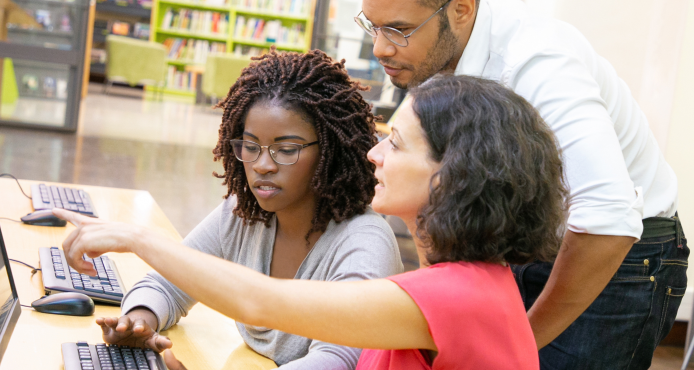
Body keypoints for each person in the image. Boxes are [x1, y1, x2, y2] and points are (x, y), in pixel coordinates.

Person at [54, 74, 568, 369]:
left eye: (396, 142)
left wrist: (137, 237)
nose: (373, 153)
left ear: (451, 174)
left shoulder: (453, 296)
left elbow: (261, 301)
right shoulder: (462, 284)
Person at [353, 0, 687, 367]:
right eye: (372, 26)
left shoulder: (536, 60)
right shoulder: (436, 55)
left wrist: (516, 345)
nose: (380, 48)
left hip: (616, 250)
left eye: (400, 30)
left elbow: (608, 218)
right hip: (533, 240)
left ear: (461, 9)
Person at [91, 49, 403, 369]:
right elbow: (168, 282)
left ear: (330, 152)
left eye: (286, 150)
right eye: (251, 147)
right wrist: (139, 322)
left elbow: (339, 358)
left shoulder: (364, 241)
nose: (262, 166)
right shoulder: (245, 213)